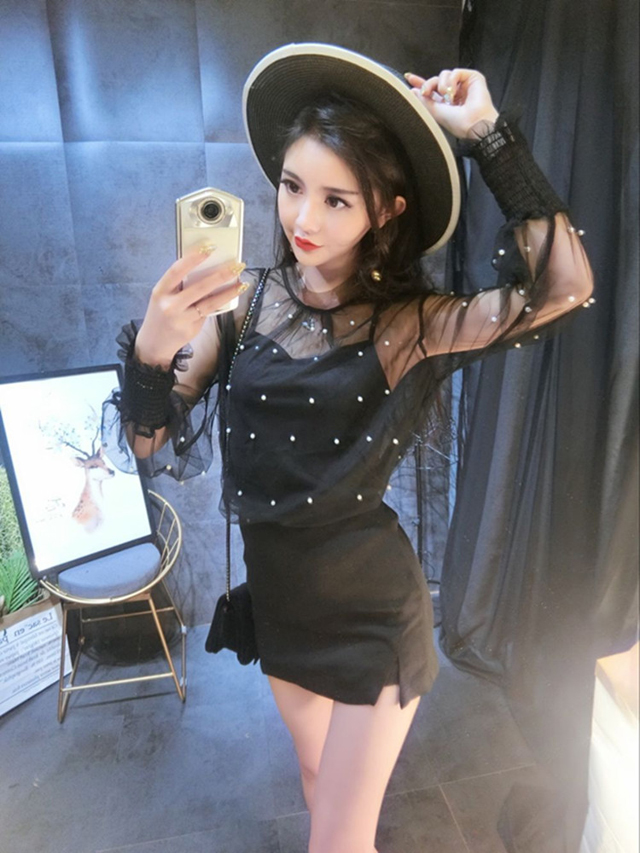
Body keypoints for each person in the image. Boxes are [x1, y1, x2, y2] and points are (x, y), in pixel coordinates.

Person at [103, 44, 593, 853]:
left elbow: (564, 287)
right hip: (282, 609)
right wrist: (155, 347)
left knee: (336, 837)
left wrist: (489, 135)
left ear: (386, 212)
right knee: (315, 782)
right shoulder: (241, 306)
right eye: (294, 186)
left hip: (372, 617)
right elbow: (146, 440)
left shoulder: (412, 325)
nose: (304, 218)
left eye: (337, 200)